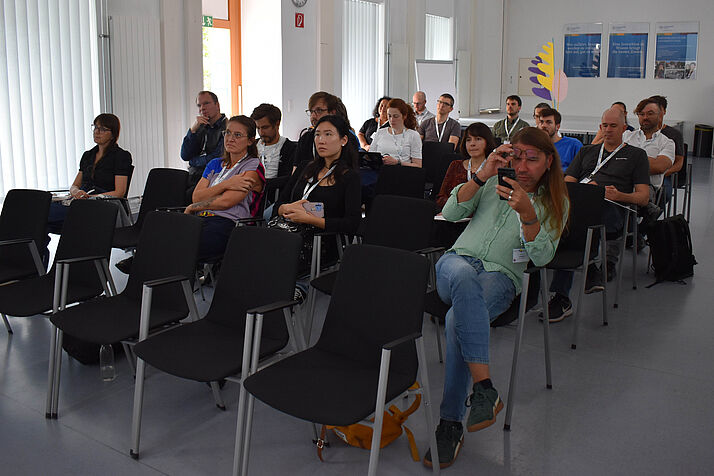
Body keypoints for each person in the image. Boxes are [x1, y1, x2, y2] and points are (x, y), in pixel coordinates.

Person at [424, 127, 568, 469]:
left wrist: (529, 215)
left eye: (532, 159)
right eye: (516, 157)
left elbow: (543, 257)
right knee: (462, 276)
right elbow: (451, 213)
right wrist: (482, 175)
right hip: (456, 263)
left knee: (456, 319)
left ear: (549, 162)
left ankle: (451, 422)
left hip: (501, 276)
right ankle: (483, 387)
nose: (522, 166)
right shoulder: (491, 182)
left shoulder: (555, 201)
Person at [545, 107, 650, 322]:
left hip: (613, 209)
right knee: (571, 218)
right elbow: (567, 184)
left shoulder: (636, 155)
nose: (608, 130)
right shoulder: (587, 151)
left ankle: (565, 293)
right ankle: (590, 269)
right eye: (604, 125)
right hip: (581, 209)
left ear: (624, 128)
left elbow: (643, 197)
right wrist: (587, 192)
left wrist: (619, 195)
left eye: (613, 126)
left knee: (573, 226)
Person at [274, 115, 361, 291]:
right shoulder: (305, 167)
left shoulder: (350, 177)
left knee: (271, 257)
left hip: (322, 240)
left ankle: (294, 290)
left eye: (328, 134)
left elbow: (352, 224)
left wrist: (309, 219)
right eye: (317, 135)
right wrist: (286, 208)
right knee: (255, 249)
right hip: (289, 230)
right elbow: (279, 204)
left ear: (343, 140)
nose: (321, 140)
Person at [46, 113, 132, 260]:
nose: (97, 132)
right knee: (43, 221)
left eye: (103, 129)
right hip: (82, 203)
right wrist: (77, 191)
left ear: (113, 134)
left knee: (43, 214)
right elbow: (74, 185)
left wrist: (91, 197)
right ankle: (37, 265)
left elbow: (119, 192)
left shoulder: (121, 156)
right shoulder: (88, 155)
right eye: (95, 127)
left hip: (103, 204)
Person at [184, 115, 265, 260]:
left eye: (237, 135)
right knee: (166, 235)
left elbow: (226, 202)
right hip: (202, 219)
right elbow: (196, 196)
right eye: (228, 133)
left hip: (229, 224)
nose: (230, 139)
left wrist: (193, 207)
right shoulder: (215, 163)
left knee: (182, 246)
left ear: (250, 141)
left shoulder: (252, 166)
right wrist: (227, 184)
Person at [436, 122, 496, 209]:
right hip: (454, 214)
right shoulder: (455, 165)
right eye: (468, 140)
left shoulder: (493, 169)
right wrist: (453, 206)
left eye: (478, 139)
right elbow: (441, 198)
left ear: (487, 142)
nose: (472, 143)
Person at [180, 91, 227, 201]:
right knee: (169, 186)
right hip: (194, 175)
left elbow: (216, 157)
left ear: (217, 105)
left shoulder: (227, 127)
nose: (202, 109)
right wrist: (193, 130)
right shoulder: (200, 127)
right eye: (199, 105)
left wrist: (193, 161)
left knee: (186, 196)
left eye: (206, 103)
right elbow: (185, 155)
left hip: (213, 176)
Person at [623, 98, 675, 196]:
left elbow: (659, 167)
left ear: (660, 116)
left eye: (650, 114)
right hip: (621, 183)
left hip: (648, 189)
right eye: (641, 114)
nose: (645, 117)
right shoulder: (626, 136)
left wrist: (624, 161)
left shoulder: (667, 143)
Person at [292, 91, 339, 171]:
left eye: (319, 110)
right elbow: (295, 170)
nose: (313, 116)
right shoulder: (306, 138)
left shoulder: (343, 137)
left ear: (332, 112)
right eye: (311, 111)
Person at [648, 95, 684, 201]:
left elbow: (679, 163)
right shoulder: (638, 133)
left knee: (664, 194)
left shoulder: (674, 135)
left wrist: (663, 173)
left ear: (664, 111)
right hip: (643, 173)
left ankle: (653, 212)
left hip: (664, 175)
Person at [369, 98, 423, 167]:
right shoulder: (380, 132)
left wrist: (398, 162)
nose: (392, 120)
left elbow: (418, 165)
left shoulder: (413, 135)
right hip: (380, 170)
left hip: (401, 171)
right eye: (389, 116)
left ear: (404, 116)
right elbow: (371, 156)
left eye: (396, 116)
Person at [250, 103, 296, 180]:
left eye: (265, 127)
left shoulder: (291, 149)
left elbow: (289, 180)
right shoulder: (251, 146)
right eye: (258, 128)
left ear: (277, 124)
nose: (261, 133)